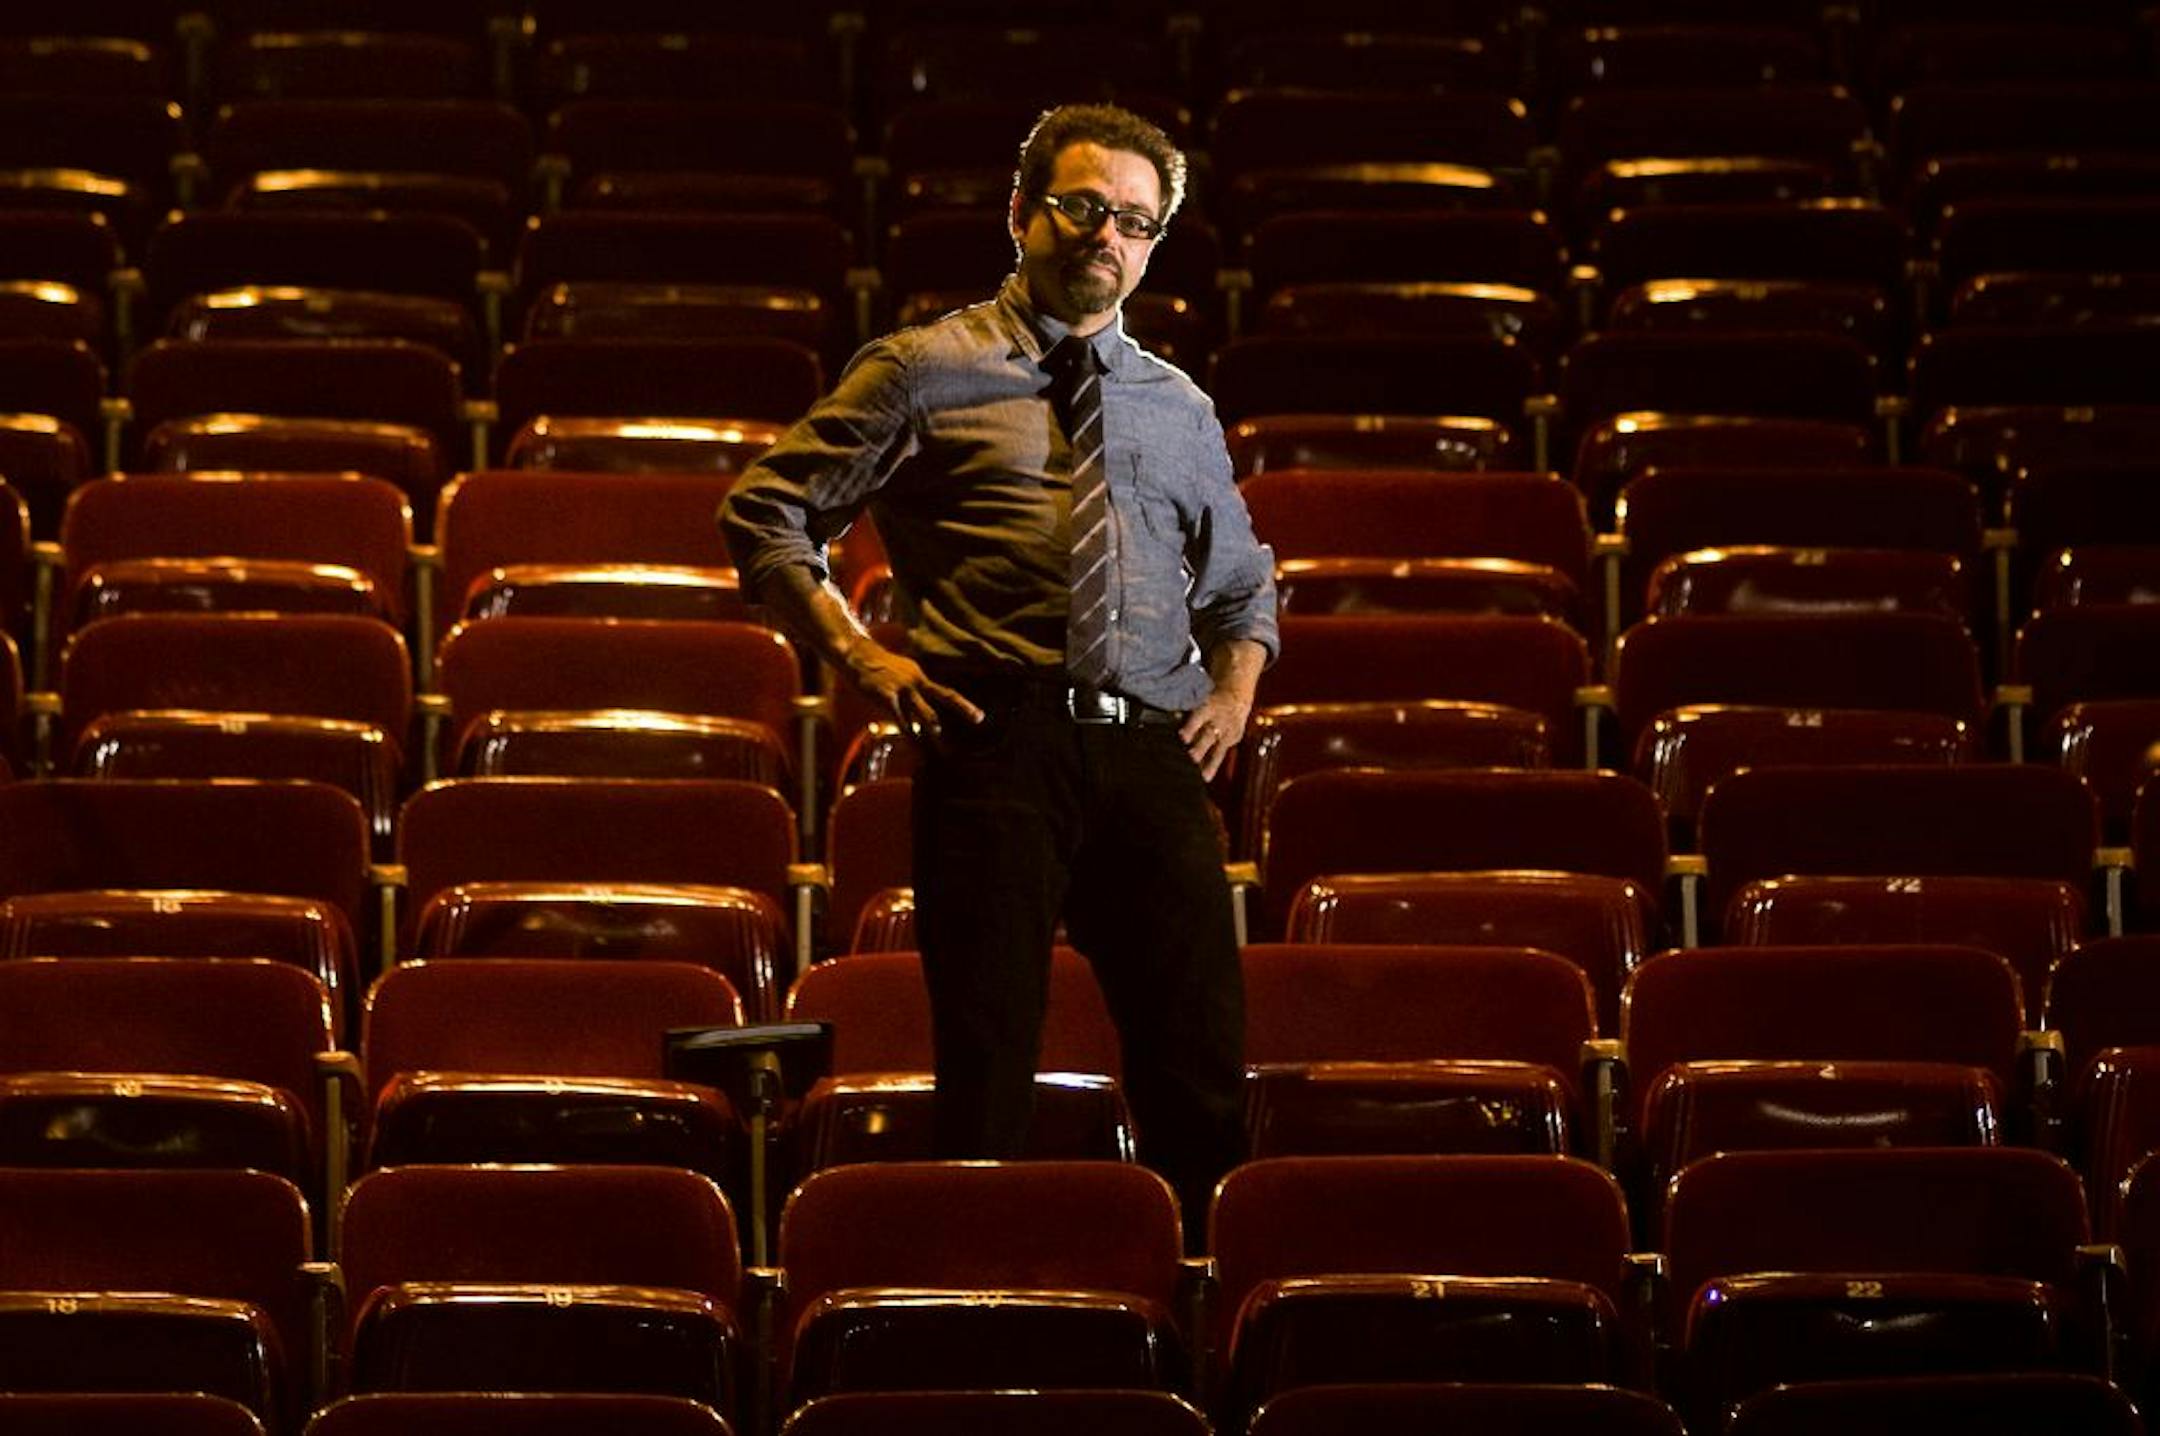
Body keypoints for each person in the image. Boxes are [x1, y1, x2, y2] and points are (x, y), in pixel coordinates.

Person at [719, 102, 1277, 1218]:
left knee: (1201, 1068)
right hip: (997, 742)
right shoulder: (925, 368)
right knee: (988, 1073)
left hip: (1150, 752)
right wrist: (858, 655)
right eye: (1081, 208)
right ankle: (982, 1319)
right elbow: (767, 510)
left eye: (1132, 220)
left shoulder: (1180, 406)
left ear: (1152, 242)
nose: (1103, 237)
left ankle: (1189, 1324)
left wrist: (1232, 688)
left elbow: (1242, 583)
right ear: (1023, 213)